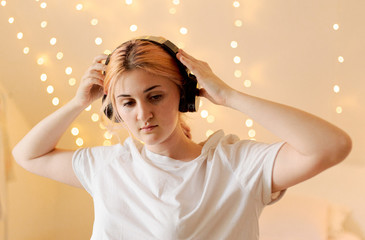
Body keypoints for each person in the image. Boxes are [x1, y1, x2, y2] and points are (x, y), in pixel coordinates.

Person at [12, 36, 352, 240]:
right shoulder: (107, 166)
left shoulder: (236, 164)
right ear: (113, 109)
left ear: (184, 96)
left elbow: (332, 146)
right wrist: (77, 102)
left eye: (155, 96)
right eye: (127, 103)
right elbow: (27, 155)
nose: (142, 114)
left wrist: (229, 95)